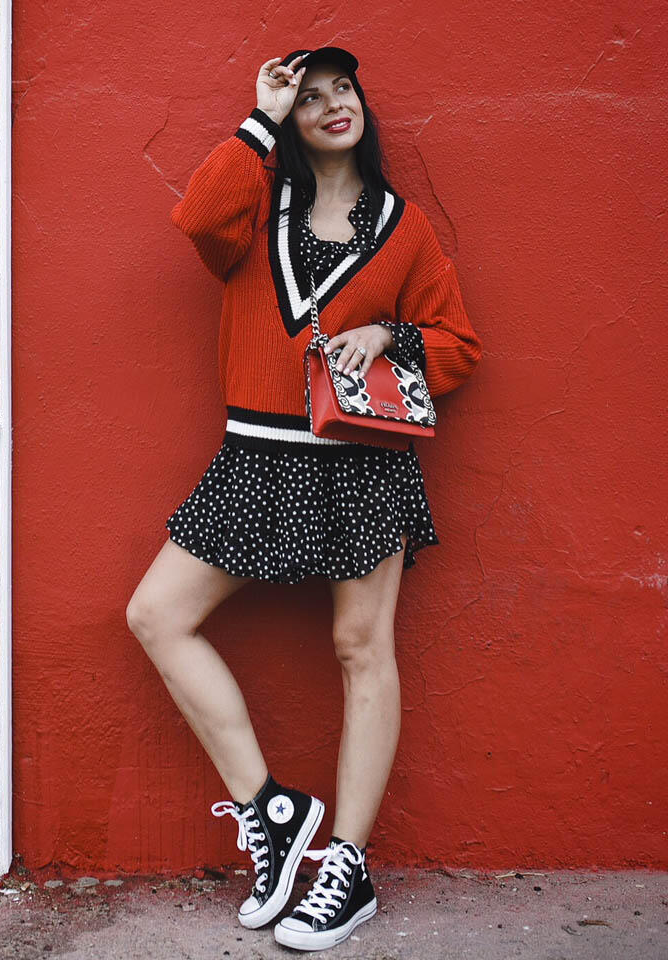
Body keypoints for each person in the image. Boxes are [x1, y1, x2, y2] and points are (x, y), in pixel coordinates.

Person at [126, 45, 482, 952]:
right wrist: (261, 116)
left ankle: (347, 869)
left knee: (362, 647)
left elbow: (459, 347)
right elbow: (197, 216)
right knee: (157, 615)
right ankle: (272, 812)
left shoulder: (403, 227)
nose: (331, 105)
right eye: (310, 95)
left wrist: (391, 334)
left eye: (343, 89)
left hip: (360, 462)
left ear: (364, 103)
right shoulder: (258, 208)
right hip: (255, 455)